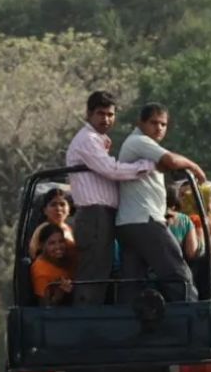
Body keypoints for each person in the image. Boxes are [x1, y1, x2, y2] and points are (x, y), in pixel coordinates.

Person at [64, 91, 158, 306]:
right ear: (88, 114)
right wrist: (147, 166)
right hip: (94, 214)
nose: (105, 119)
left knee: (104, 270)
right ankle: (85, 325)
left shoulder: (99, 141)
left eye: (110, 114)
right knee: (93, 273)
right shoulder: (86, 140)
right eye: (100, 113)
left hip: (104, 215)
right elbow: (111, 170)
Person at [115, 103, 206, 303]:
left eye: (163, 124)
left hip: (129, 223)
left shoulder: (144, 146)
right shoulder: (139, 141)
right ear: (141, 123)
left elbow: (166, 163)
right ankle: (193, 320)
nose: (159, 128)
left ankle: (126, 327)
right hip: (144, 220)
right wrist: (195, 166)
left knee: (132, 282)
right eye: (154, 123)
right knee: (178, 274)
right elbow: (172, 161)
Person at [29, 223, 76, 306]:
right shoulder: (40, 270)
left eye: (61, 241)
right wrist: (59, 294)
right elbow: (45, 307)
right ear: (42, 245)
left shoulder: (69, 256)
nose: (58, 247)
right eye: (52, 243)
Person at [27, 187, 76, 258]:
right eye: (53, 205)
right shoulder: (44, 229)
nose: (58, 208)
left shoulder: (68, 228)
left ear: (69, 210)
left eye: (62, 204)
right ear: (45, 211)